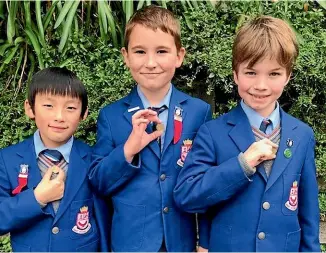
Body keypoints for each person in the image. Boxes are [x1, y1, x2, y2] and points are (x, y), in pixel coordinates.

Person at [174, 16, 320, 252]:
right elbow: (187, 195)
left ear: (288, 76)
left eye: (274, 74)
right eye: (251, 73)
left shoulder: (302, 134)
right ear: (235, 74)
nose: (261, 85)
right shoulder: (213, 132)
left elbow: (308, 212)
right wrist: (242, 164)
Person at [89, 5, 212, 252]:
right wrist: (128, 150)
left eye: (162, 51)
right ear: (126, 56)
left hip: (181, 242)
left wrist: (205, 242)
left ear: (179, 56)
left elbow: (206, 182)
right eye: (140, 51)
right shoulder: (111, 116)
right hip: (131, 243)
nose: (151, 62)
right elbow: (99, 182)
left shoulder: (199, 112)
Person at [0, 67, 109, 252]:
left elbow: (106, 215)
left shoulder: (93, 159)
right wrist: (37, 198)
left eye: (71, 108)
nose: (59, 117)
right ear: (30, 108)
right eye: (49, 106)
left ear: (84, 113)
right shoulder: (7, 159)